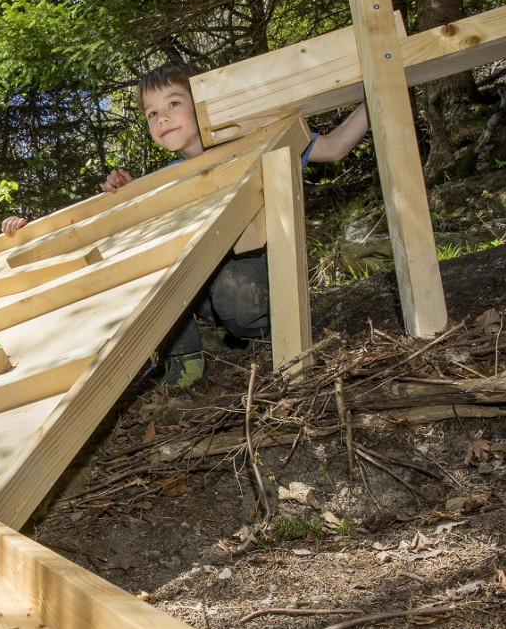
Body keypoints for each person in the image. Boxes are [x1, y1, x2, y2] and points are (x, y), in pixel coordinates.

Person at [103, 62, 370, 387]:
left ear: (204, 104)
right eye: (152, 113)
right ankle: (184, 358)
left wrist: (376, 91)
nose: (162, 118)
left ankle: (260, 337)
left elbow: (336, 147)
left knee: (236, 291)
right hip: (197, 289)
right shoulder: (168, 178)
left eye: (173, 103)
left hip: (252, 277)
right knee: (144, 272)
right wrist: (129, 191)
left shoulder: (251, 143)